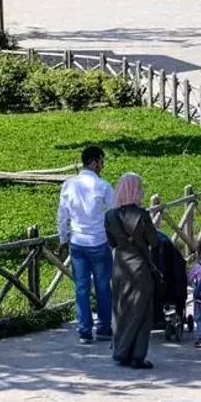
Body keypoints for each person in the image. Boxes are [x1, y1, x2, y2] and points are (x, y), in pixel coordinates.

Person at [58, 146, 115, 345]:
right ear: (93, 162)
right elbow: (115, 211)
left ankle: (84, 330)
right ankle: (104, 328)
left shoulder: (69, 184)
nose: (103, 165)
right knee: (103, 287)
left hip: (77, 243)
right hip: (99, 241)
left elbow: (62, 214)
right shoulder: (103, 186)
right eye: (101, 161)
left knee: (81, 287)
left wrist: (63, 239)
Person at [105, 172, 158, 369]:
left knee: (121, 310)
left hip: (120, 268)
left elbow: (111, 242)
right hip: (140, 269)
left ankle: (120, 351)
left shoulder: (110, 216)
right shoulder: (142, 216)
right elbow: (153, 241)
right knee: (142, 313)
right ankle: (137, 356)